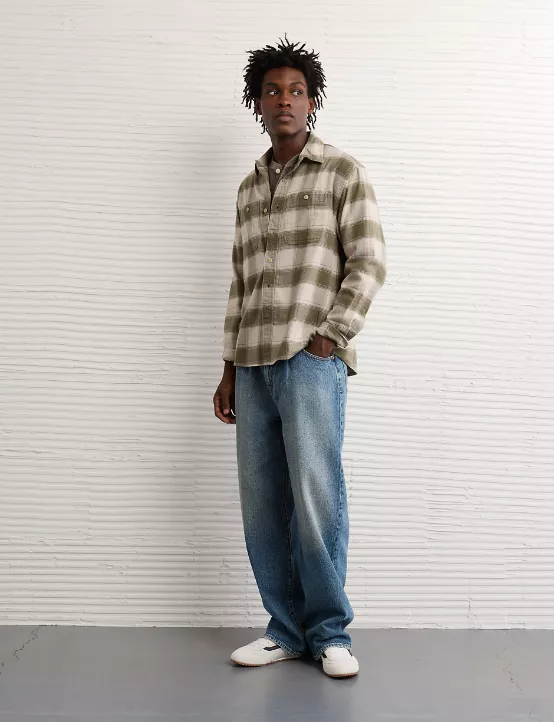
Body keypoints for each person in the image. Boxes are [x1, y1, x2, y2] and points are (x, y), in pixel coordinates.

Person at [213, 34, 387, 678]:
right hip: (252, 364)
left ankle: (330, 633)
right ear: (257, 103)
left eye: (295, 91)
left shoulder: (342, 172)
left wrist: (330, 336)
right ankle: (284, 630)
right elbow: (241, 283)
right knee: (262, 503)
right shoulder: (248, 187)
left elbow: (368, 262)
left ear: (311, 102)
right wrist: (228, 368)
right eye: (272, 91)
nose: (284, 100)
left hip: (310, 360)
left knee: (316, 498)